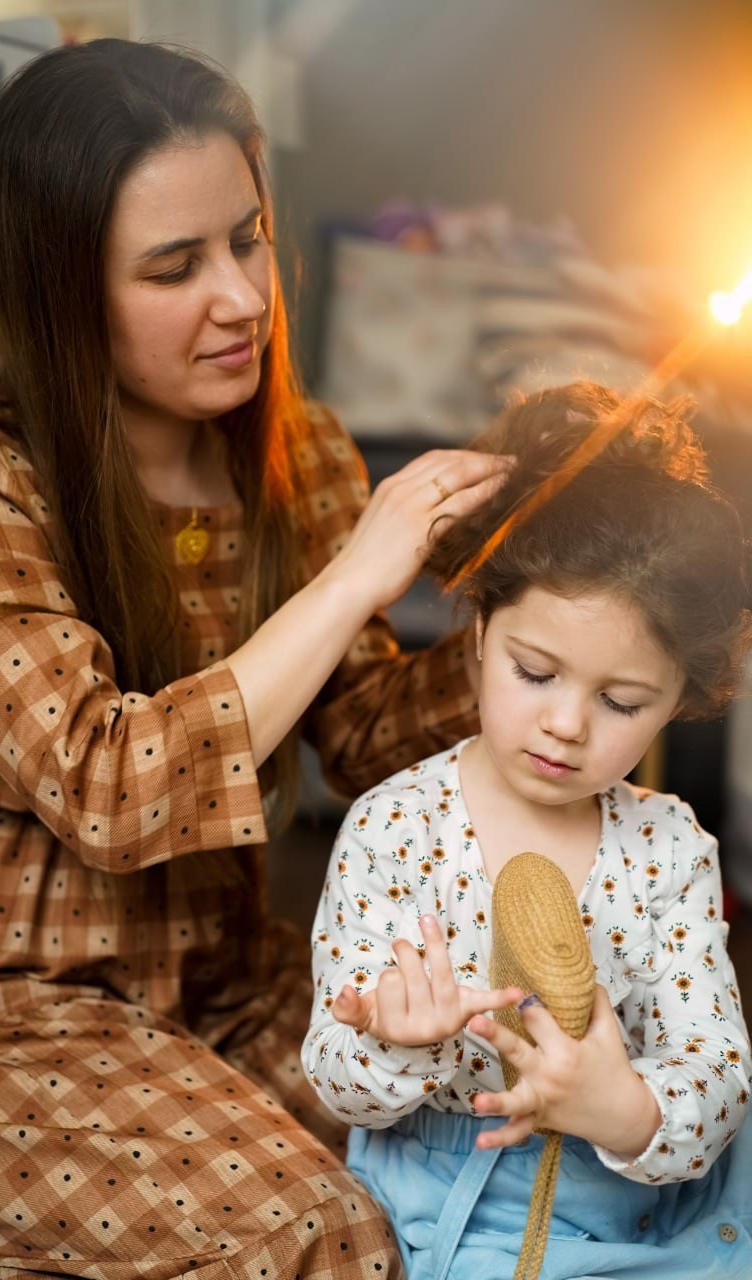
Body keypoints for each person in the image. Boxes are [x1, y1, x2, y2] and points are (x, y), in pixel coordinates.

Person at [0, 37, 512, 1280]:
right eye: (175, 266)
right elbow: (108, 782)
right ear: (65, 290)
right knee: (312, 1232)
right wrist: (356, 572)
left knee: (507, 1102)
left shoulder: (300, 449)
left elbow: (374, 730)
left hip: (217, 979)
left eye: (248, 236)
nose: (241, 296)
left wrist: (529, 615)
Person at [303, 380, 752, 1280]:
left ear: (679, 699)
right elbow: (335, 1075)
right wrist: (397, 1040)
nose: (568, 725)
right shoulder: (394, 827)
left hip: (630, 1210)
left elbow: (716, 1074)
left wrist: (622, 1107)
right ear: (478, 631)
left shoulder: (668, 848)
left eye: (622, 701)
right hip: (434, 1202)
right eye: (535, 672)